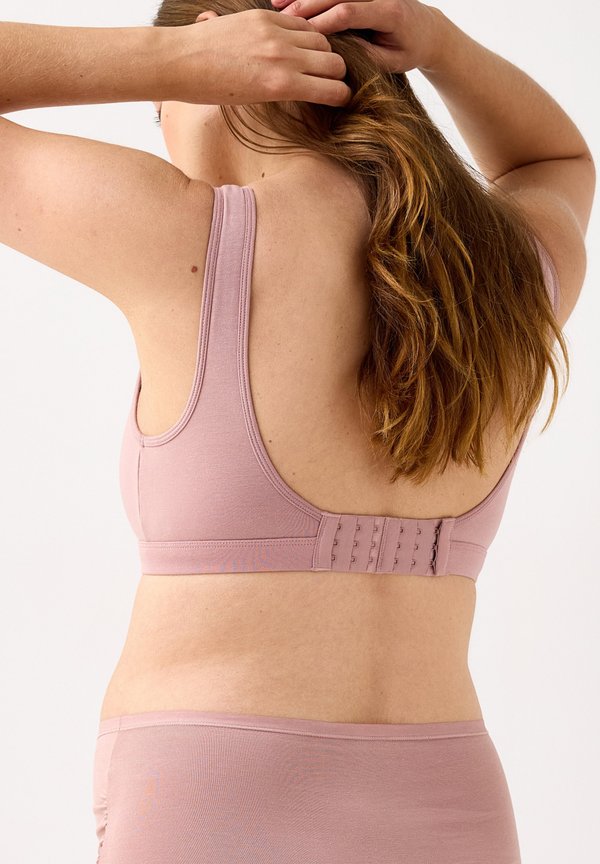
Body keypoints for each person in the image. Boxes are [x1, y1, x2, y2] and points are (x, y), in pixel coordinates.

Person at [0, 1, 594, 862]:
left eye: (161, 110)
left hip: (214, 787)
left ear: (221, 62)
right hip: (451, 794)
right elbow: (555, 159)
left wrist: (169, 60)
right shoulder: (504, 273)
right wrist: (442, 46)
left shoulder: (185, 234)